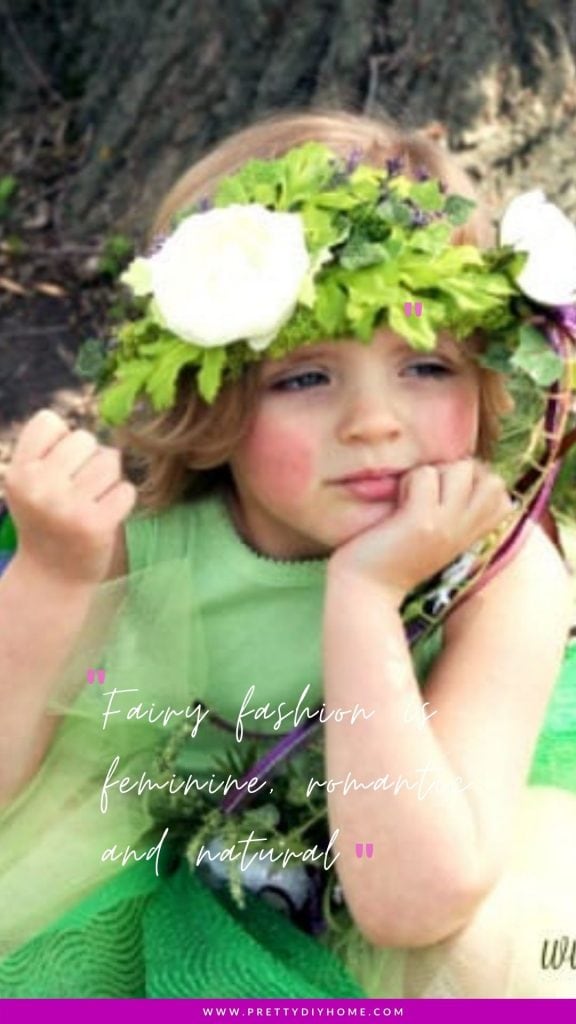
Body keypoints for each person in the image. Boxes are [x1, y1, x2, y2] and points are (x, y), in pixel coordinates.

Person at [0, 109, 575, 1000]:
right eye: (304, 377)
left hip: (393, 875)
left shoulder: (499, 577)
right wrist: (50, 580)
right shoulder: (131, 541)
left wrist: (365, 597)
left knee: (509, 956)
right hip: (141, 862)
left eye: (428, 367)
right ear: (210, 398)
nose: (375, 422)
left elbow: (414, 900)